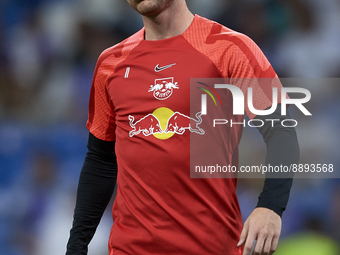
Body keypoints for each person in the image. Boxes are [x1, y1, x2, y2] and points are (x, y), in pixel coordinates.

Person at [66, 1, 299, 255]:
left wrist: (270, 207)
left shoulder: (229, 49)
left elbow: (281, 131)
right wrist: (77, 246)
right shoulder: (111, 63)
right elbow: (100, 160)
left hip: (212, 247)